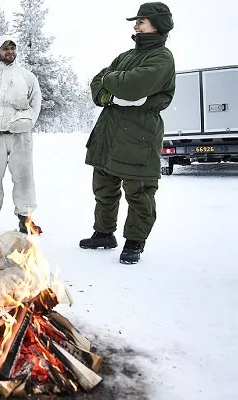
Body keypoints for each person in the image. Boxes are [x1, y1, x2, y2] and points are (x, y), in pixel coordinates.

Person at [80, 2, 175, 264]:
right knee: (104, 187)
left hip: (138, 135)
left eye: (141, 21)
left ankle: (134, 242)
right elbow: (97, 82)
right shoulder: (125, 56)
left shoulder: (162, 57)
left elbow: (132, 86)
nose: (135, 25)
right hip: (109, 133)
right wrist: (113, 88)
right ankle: (103, 233)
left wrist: (116, 82)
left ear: (157, 25)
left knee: (139, 191)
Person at [0, 35, 42, 237]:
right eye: (5, 49)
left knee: (24, 177)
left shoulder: (27, 77)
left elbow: (35, 103)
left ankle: (25, 218)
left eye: (12, 48)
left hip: (21, 136)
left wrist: (26, 123)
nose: (10, 52)